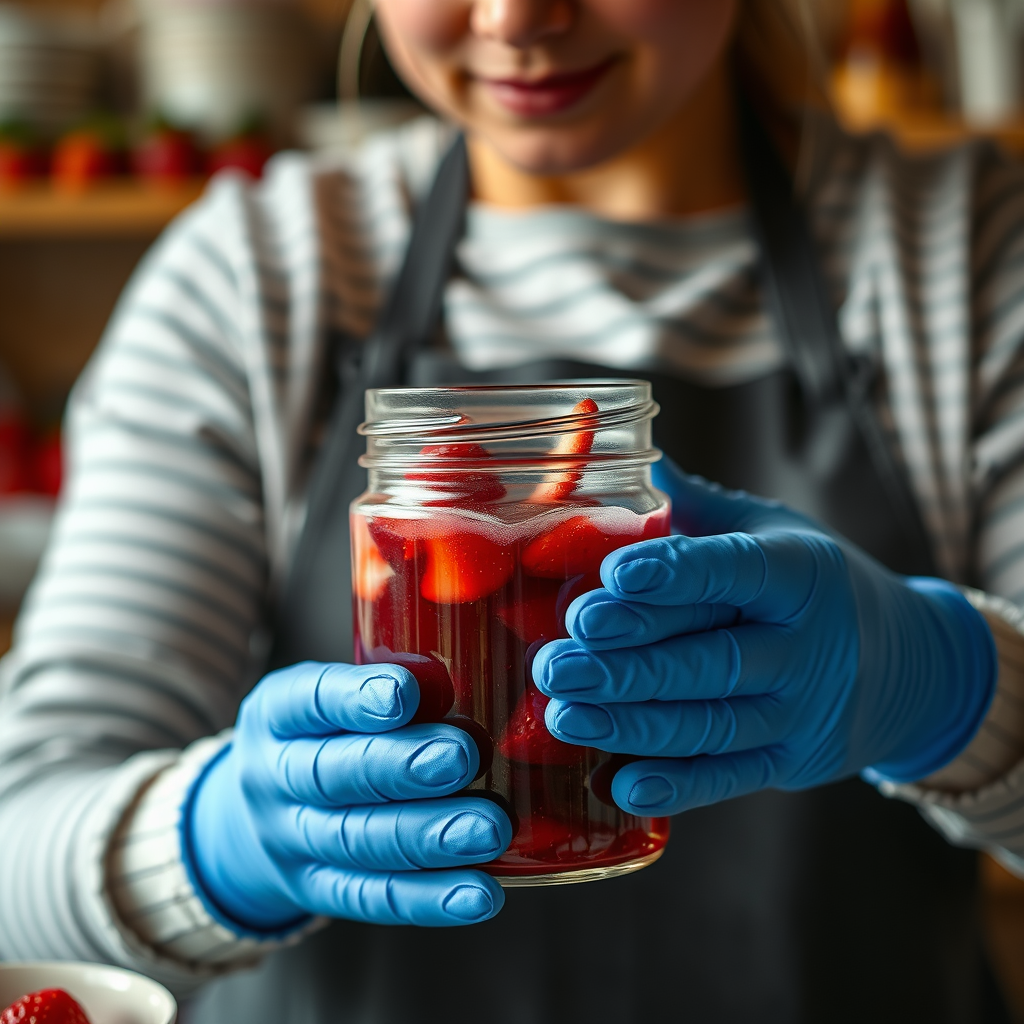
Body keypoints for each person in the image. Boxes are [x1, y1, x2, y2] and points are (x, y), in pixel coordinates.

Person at [3, 0, 1024, 1020]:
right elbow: (17, 867)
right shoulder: (260, 273)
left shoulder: (970, 253)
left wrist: (950, 686)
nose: (515, 18)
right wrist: (219, 840)